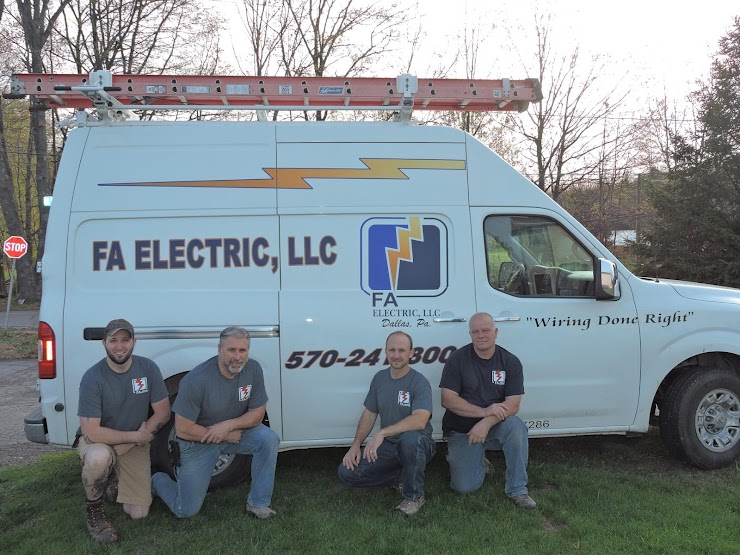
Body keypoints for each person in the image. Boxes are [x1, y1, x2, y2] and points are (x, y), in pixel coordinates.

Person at [152, 326, 280, 519]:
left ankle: (258, 503)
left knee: (268, 439)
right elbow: (183, 429)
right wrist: (224, 435)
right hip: (196, 443)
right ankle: (156, 480)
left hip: (233, 434)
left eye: (242, 350)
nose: (237, 357)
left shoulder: (253, 369)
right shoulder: (196, 380)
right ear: (220, 349)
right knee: (185, 510)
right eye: (231, 350)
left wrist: (227, 427)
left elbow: (258, 413)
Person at [77, 318, 171, 543]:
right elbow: (92, 431)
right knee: (99, 458)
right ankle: (94, 511)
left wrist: (131, 442)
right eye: (113, 341)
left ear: (134, 342)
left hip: (134, 443)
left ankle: (116, 482)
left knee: (138, 514)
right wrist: (135, 437)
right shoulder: (92, 377)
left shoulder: (148, 368)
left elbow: (163, 413)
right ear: (104, 343)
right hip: (100, 440)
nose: (119, 346)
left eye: (125, 340)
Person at [439, 312, 536, 509]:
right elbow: (447, 400)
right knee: (465, 487)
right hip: (462, 430)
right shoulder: (457, 359)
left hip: (495, 426)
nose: (481, 335)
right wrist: (483, 412)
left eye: (486, 330)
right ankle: (476, 459)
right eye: (475, 332)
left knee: (516, 427)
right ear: (470, 334)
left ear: (496, 332)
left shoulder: (510, 361)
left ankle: (518, 489)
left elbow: (513, 405)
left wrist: (486, 422)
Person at [338, 331, 435, 516]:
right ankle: (403, 477)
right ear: (386, 351)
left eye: (402, 350)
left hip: (419, 444)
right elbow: (370, 413)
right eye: (392, 350)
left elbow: (420, 420)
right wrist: (356, 444)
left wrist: (382, 433)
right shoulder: (380, 378)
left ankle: (414, 496)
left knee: (410, 439)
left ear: (411, 353)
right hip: (390, 445)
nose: (396, 355)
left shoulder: (419, 382)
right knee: (346, 473)